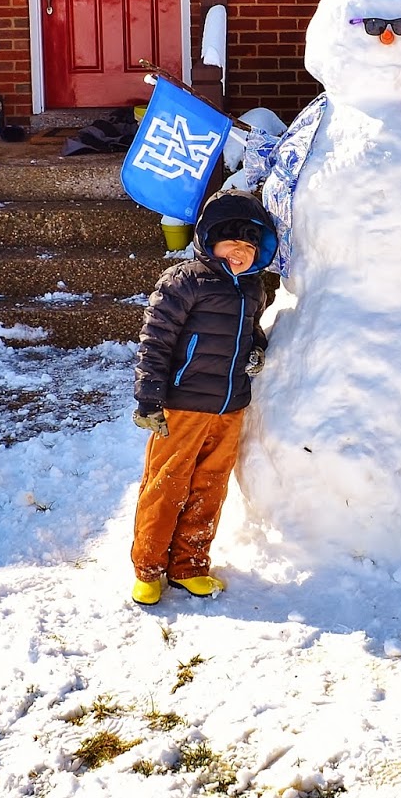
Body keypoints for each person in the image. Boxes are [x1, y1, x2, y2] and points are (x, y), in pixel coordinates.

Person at [129, 189, 277, 606]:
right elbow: (155, 341)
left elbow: (251, 331)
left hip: (230, 407)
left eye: (250, 246)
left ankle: (190, 565)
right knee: (166, 485)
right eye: (233, 242)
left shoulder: (252, 290)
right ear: (210, 239)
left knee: (209, 488)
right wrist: (149, 398)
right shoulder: (185, 281)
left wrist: (256, 348)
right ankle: (148, 568)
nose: (241, 252)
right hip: (183, 405)